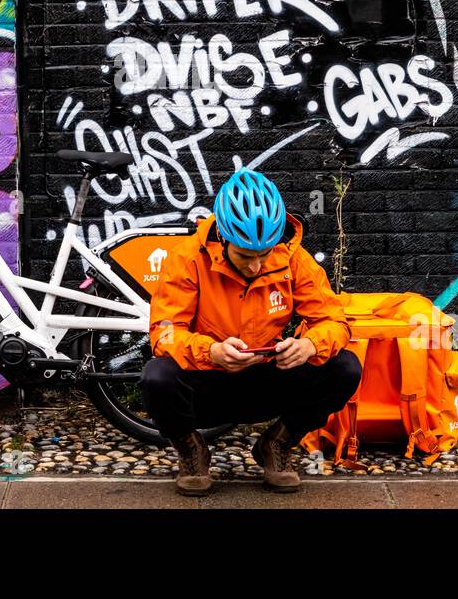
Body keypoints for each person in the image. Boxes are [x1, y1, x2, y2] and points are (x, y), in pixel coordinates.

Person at [140, 168, 363, 495]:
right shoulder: (188, 259)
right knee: (156, 377)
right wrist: (211, 352)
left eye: (264, 254)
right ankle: (191, 450)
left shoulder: (292, 258)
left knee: (345, 367)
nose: (256, 265)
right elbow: (165, 334)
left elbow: (335, 322)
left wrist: (310, 345)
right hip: (208, 381)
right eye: (246, 256)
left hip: (267, 378)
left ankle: (278, 444)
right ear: (224, 238)